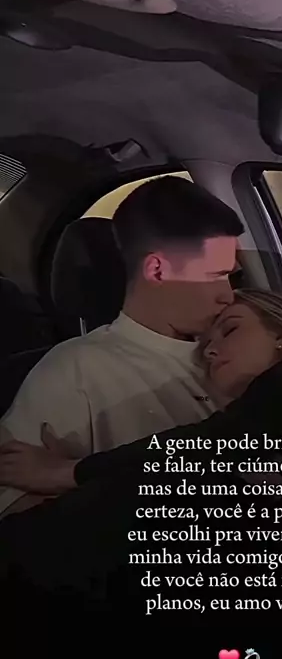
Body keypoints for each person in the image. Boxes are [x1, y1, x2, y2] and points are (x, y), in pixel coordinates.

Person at [1, 289, 282, 659]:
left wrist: (66, 473)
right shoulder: (244, 424)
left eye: (230, 330)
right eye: (204, 345)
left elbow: (221, 444)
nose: (210, 350)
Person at [0, 175, 244, 514]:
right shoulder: (74, 372)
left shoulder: (243, 345)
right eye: (215, 275)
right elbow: (12, 509)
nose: (228, 296)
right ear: (157, 270)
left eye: (231, 276)